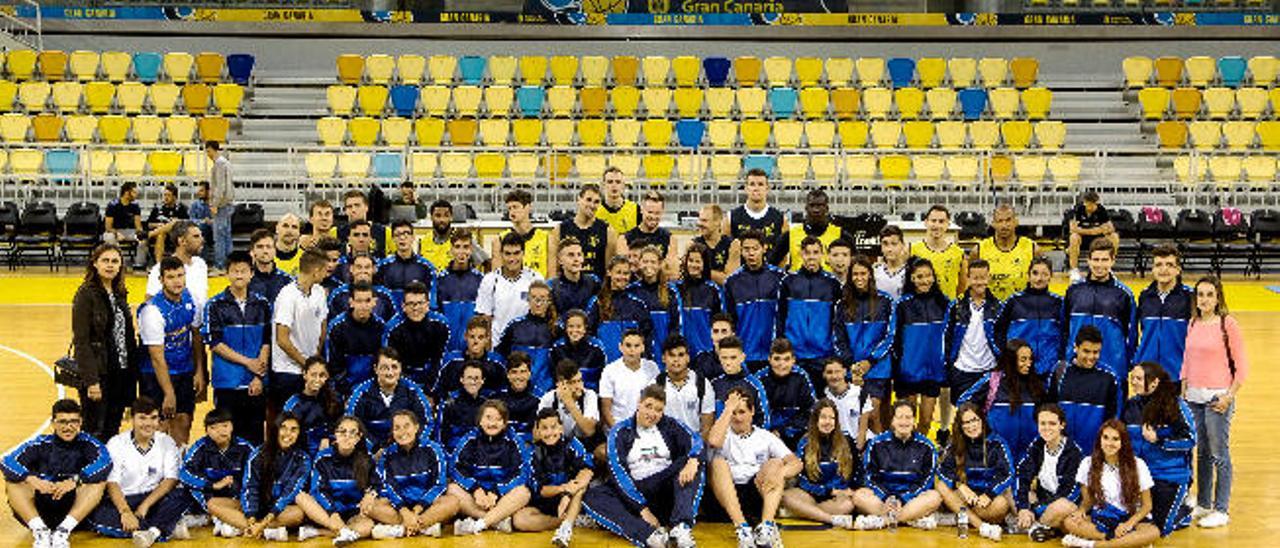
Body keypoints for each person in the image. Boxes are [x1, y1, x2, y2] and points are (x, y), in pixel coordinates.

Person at [581, 385, 702, 548]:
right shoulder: (620, 431)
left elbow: (696, 440)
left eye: (658, 410)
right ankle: (650, 535)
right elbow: (619, 474)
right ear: (639, 403)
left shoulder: (671, 425)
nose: (652, 414)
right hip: (635, 490)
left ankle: (681, 528)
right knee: (592, 496)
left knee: (693, 464)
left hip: (665, 488)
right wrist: (642, 509)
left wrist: (693, 459)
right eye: (648, 406)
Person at [1181, 275, 1246, 529]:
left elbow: (1241, 366)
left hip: (1218, 398)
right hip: (1194, 397)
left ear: (1218, 297)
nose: (1204, 299)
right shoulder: (1193, 323)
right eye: (1200, 295)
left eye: (1209, 294)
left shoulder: (1227, 324)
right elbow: (1187, 359)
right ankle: (1205, 502)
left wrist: (1229, 396)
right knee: (1203, 453)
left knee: (1220, 454)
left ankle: (1222, 509)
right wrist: (1184, 386)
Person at [3, 399, 110, 548]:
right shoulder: (40, 444)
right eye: (62, 422)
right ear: (53, 423)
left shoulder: (90, 444)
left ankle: (63, 532)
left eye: (73, 421)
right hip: (40, 508)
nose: (68, 427)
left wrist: (75, 480)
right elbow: (7, 461)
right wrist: (32, 479)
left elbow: (105, 463)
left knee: (98, 482)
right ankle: (40, 531)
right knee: (13, 481)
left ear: (80, 422)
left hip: (74, 510)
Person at [705, 387, 800, 548]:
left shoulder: (765, 437)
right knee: (717, 462)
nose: (737, 418)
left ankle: (767, 528)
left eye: (741, 412)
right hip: (723, 498)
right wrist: (728, 408)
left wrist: (781, 473)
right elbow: (713, 441)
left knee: (776, 463)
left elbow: (796, 463)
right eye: (733, 413)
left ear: (752, 411)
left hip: (754, 495)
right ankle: (742, 529)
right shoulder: (722, 433)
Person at [88, 398, 188, 548]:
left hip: (153, 498)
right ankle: (166, 526)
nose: (148, 424)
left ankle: (152, 530)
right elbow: (112, 482)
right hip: (123, 499)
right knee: (96, 517)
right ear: (131, 418)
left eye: (153, 418)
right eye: (142, 418)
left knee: (183, 494)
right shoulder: (116, 443)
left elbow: (171, 480)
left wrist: (144, 507)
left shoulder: (166, 442)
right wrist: (125, 512)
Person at [203, 251, 271, 446]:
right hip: (227, 383)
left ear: (251, 274)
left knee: (256, 436)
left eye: (243, 271)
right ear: (227, 273)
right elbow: (215, 343)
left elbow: (267, 341)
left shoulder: (263, 304)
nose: (239, 275)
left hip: (255, 384)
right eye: (234, 271)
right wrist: (248, 363)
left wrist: (258, 376)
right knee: (226, 437)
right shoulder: (214, 305)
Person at [1060, 420, 1162, 548]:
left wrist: (1128, 524)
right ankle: (1126, 542)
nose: (1109, 443)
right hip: (1103, 516)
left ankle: (1091, 544)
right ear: (1099, 440)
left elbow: (1147, 506)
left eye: (1115, 439)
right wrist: (1081, 510)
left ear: (1123, 442)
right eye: (1105, 438)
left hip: (1131, 517)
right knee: (1069, 522)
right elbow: (1088, 502)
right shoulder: (1087, 463)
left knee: (1154, 532)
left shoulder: (1138, 464)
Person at [72, 243, 138, 442]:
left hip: (120, 371)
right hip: (99, 373)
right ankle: (88, 472)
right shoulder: (85, 295)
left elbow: (126, 336)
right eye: (105, 261)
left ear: (120, 266)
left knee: (112, 426)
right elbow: (82, 341)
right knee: (94, 428)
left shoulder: (120, 293)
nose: (110, 265)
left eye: (115, 261)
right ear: (95, 264)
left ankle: (106, 471)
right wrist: (91, 381)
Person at [138, 255, 206, 445]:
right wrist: (169, 393)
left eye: (180, 275)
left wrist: (199, 371)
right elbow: (157, 358)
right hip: (155, 375)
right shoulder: (152, 311)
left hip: (184, 370)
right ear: (161, 280)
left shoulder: (189, 298)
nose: (177, 281)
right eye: (171, 277)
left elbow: (196, 336)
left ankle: (177, 469)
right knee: (158, 426)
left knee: (183, 422)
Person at [1122, 362, 1194, 536]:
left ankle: (1184, 510)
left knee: (1161, 529)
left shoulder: (1175, 406)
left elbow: (1190, 440)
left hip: (1168, 476)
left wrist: (1159, 439)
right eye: (1133, 378)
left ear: (1154, 383)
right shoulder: (1130, 406)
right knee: (1134, 522)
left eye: (1139, 379)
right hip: (1140, 477)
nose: (1134, 382)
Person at [213, 413, 309, 540]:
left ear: (299, 433)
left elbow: (290, 492)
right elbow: (249, 487)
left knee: (298, 514)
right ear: (275, 430)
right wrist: (251, 517)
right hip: (257, 508)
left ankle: (243, 529)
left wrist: (263, 523)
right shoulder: (258, 454)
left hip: (279, 511)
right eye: (283, 428)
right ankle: (262, 530)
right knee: (213, 503)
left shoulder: (303, 459)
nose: (288, 434)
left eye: (293, 430)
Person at [851, 401, 943, 531]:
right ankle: (911, 519)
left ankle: (883, 521)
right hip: (884, 499)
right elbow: (870, 478)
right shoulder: (876, 444)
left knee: (935, 497)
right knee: (859, 496)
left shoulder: (927, 446)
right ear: (892, 421)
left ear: (914, 421)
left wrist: (903, 498)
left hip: (912, 499)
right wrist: (887, 498)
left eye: (908, 417)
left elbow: (927, 481)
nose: (904, 422)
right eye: (899, 417)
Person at [368, 410, 460, 539]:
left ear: (416, 427)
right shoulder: (386, 455)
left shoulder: (433, 448)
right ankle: (424, 527)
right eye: (397, 428)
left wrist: (417, 509)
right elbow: (388, 488)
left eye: (407, 426)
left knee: (453, 502)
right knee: (370, 506)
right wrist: (404, 511)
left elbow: (439, 484)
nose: (402, 432)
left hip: (427, 506)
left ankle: (402, 529)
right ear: (392, 432)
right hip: (398, 508)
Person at [447, 400, 533, 535]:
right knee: (451, 489)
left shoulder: (514, 441)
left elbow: (522, 473)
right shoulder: (469, 439)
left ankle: (479, 524)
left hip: (502, 496)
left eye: (498, 419)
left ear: (505, 423)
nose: (492, 423)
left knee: (523, 493)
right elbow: (456, 468)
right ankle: (496, 521)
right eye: (488, 418)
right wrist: (475, 490)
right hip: (476, 498)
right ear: (480, 420)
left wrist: (497, 491)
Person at [934, 403, 1015, 542]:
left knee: (1002, 503)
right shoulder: (954, 444)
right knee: (941, 485)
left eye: (974, 420)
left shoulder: (997, 443)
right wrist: (960, 486)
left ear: (982, 420)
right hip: (965, 498)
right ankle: (982, 526)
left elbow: (1007, 473)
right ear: (960, 426)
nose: (971, 426)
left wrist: (990, 494)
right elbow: (942, 470)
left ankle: (960, 517)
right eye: (966, 422)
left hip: (985, 501)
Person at [513, 409, 594, 546]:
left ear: (561, 428)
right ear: (537, 431)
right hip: (546, 502)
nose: (550, 432)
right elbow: (541, 490)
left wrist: (568, 493)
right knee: (519, 520)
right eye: (544, 428)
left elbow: (587, 471)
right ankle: (570, 520)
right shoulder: (532, 452)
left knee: (581, 486)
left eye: (554, 427)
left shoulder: (572, 444)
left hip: (572, 498)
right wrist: (562, 488)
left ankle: (565, 529)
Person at [941, 258, 1000, 445]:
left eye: (983, 277)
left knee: (986, 419)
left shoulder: (999, 307)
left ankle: (983, 456)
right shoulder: (956, 306)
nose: (979, 282)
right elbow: (946, 339)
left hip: (988, 372)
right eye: (975, 278)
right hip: (962, 370)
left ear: (989, 278)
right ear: (968, 278)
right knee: (963, 419)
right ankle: (956, 455)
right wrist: (948, 368)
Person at [958, 339, 1047, 463]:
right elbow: (964, 402)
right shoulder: (993, 381)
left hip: (1029, 458)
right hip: (996, 456)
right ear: (1010, 360)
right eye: (1023, 359)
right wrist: (978, 430)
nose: (1028, 363)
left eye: (1030, 359)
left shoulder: (1037, 385)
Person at [293, 416, 378, 545]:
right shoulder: (323, 458)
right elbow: (317, 491)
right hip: (326, 512)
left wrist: (371, 494)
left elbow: (377, 484)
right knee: (301, 497)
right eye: (342, 431)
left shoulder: (367, 459)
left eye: (352, 432)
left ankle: (319, 532)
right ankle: (343, 531)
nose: (347, 436)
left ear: (359, 437)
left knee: (368, 526)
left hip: (353, 513)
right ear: (335, 434)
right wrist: (332, 513)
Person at [834, 254, 893, 434]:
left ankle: (880, 453)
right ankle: (861, 454)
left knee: (874, 414)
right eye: (855, 274)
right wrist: (852, 365)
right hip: (853, 369)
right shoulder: (842, 305)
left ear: (870, 275)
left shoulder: (885, 301)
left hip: (878, 368)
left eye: (863, 273)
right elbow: (839, 338)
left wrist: (870, 361)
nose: (859, 278)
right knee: (856, 417)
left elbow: (890, 336)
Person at [781, 399, 862, 529]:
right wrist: (827, 491)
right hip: (812, 494)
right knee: (785, 496)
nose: (828, 422)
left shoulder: (847, 441)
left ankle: (805, 512)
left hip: (838, 497)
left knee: (848, 505)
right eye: (823, 417)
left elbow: (858, 469)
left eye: (832, 418)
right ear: (815, 420)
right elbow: (801, 480)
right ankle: (830, 519)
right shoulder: (805, 441)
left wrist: (851, 489)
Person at [892, 258, 949, 435]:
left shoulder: (944, 303)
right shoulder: (902, 305)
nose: (925, 280)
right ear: (912, 279)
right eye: (919, 276)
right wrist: (898, 367)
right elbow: (894, 339)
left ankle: (921, 456)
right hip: (908, 371)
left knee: (925, 422)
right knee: (907, 421)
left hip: (933, 371)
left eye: (928, 276)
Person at [1065, 238, 1136, 379]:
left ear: (1113, 261)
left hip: (1112, 366)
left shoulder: (1124, 295)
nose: (1099, 265)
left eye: (1104, 260)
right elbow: (1064, 329)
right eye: (1096, 260)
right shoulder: (1074, 291)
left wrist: (1127, 364)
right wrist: (1066, 357)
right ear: (1088, 260)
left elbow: (1131, 335)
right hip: (1077, 364)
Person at [270, 250, 330, 415]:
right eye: (325, 269)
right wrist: (306, 363)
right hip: (288, 371)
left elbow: (322, 324)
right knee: (287, 422)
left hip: (311, 371)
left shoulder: (318, 292)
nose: (327, 274)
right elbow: (282, 339)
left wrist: (315, 359)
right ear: (316, 271)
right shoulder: (287, 296)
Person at [1015, 403, 1085, 543]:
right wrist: (1023, 508)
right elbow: (1023, 476)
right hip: (1043, 499)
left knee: (1063, 507)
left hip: (1065, 503)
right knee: (1016, 490)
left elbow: (1069, 493)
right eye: (1043, 423)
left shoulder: (1073, 452)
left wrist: (1037, 508)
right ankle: (1044, 526)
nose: (1047, 428)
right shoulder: (1037, 445)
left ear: (1062, 425)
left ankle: (1035, 525)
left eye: (1052, 423)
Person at [777, 236, 842, 379]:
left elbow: (837, 321)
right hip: (794, 354)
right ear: (801, 254)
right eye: (807, 253)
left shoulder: (832, 284)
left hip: (823, 354)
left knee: (821, 399)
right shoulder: (788, 281)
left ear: (822, 254)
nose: (811, 257)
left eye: (815, 252)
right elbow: (780, 317)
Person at [180, 408, 255, 527]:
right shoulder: (200, 447)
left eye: (225, 426)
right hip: (209, 496)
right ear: (207, 432)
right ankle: (217, 518)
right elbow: (184, 474)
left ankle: (220, 519)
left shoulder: (245, 448)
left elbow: (255, 476)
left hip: (236, 497)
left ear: (232, 427)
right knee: (187, 489)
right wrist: (212, 485)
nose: (220, 431)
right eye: (213, 428)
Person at [1051, 326, 1121, 452]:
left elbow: (1113, 420)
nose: (1091, 358)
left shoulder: (1109, 377)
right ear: (1075, 347)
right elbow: (1049, 410)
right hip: (1061, 453)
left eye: (1096, 352)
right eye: (1086, 351)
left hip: (1094, 454)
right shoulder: (1060, 371)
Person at [724, 230, 785, 370]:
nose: (751, 253)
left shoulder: (780, 278)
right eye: (746, 249)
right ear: (741, 251)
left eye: (755, 248)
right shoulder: (732, 282)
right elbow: (730, 321)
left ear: (764, 248)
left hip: (774, 354)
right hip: (745, 354)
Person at [345, 348, 433, 446]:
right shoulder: (361, 393)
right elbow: (351, 425)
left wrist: (409, 445)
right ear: (375, 369)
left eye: (394, 367)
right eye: (384, 368)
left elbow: (426, 423)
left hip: (404, 447)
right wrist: (373, 449)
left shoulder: (412, 391)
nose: (390, 373)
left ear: (401, 368)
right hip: (371, 452)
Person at [995, 257, 1064, 377]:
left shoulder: (1059, 302)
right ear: (1028, 275)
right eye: (1035, 273)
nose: (1039, 278)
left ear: (1050, 276)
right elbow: (997, 332)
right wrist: (1008, 357)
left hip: (1049, 369)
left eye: (1044, 274)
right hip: (1019, 368)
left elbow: (1066, 333)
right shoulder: (1014, 301)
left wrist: (1058, 358)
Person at [1133, 245, 1194, 379]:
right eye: (1159, 264)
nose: (1164, 269)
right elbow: (1139, 333)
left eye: (1169, 265)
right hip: (1147, 373)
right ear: (1153, 270)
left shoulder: (1190, 297)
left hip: (1177, 374)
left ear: (1178, 270)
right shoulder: (1144, 296)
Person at [477, 231, 544, 347]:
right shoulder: (490, 280)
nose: (512, 259)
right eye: (508, 254)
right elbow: (485, 319)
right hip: (498, 347)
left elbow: (542, 315)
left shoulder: (536, 279)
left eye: (516, 253)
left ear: (523, 253)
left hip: (527, 345)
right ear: (501, 254)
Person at [383, 281, 450, 389]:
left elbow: (439, 361)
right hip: (402, 379)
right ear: (403, 306)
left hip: (430, 379)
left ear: (428, 304)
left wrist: (430, 392)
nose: (415, 308)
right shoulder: (392, 328)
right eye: (411, 304)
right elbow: (390, 364)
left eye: (420, 303)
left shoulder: (441, 324)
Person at [497, 280, 558, 396]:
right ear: (528, 300)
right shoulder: (514, 326)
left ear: (549, 301)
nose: (538, 303)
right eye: (534, 298)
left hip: (544, 391)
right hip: (515, 389)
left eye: (543, 298)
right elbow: (500, 356)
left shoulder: (556, 330)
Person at [587, 256, 652, 363]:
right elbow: (589, 335)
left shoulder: (638, 304)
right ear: (609, 273)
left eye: (626, 273)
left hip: (632, 367)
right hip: (605, 366)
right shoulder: (597, 303)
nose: (622, 277)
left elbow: (646, 336)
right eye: (618, 272)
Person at [326, 281, 387, 394]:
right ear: (351, 302)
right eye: (359, 301)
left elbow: (383, 362)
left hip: (374, 388)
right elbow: (333, 365)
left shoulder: (381, 327)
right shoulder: (337, 327)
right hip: (344, 389)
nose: (363, 306)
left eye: (368, 301)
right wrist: (347, 391)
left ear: (374, 302)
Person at [755, 338, 817, 449]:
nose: (781, 364)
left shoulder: (801, 377)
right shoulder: (759, 379)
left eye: (786, 359)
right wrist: (768, 433)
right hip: (765, 434)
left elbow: (810, 410)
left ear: (793, 360)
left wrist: (783, 431)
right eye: (777, 359)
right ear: (769, 359)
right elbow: (754, 412)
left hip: (795, 432)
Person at [549, 183, 618, 280]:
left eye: (596, 202)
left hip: (595, 290)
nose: (592, 205)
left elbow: (608, 270)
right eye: (588, 200)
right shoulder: (560, 230)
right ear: (579, 199)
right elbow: (553, 270)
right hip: (567, 290)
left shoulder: (608, 231)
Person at [972, 203, 1040, 301]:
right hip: (990, 310)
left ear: (1016, 222)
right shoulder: (979, 250)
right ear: (993, 224)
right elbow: (970, 286)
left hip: (1022, 309)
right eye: (1000, 221)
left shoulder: (1032, 249)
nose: (1004, 225)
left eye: (1008, 220)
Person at [725, 168, 789, 267]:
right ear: (746, 188)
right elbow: (726, 252)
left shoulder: (780, 219)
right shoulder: (731, 218)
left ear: (767, 188)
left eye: (760, 184)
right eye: (752, 184)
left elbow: (784, 256)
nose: (756, 188)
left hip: (770, 278)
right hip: (741, 278)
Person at [599, 329, 661, 430]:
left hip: (646, 427)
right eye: (628, 345)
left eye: (636, 346)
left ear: (643, 348)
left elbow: (657, 401)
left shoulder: (652, 368)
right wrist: (617, 430)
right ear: (620, 347)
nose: (632, 350)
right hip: (618, 427)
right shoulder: (609, 370)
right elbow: (606, 409)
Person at [655, 336, 715, 438]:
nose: (676, 360)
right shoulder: (655, 385)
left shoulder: (703, 384)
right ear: (663, 358)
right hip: (664, 447)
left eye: (681, 355)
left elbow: (707, 427)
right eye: (671, 355)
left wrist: (696, 449)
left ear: (688, 358)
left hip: (694, 447)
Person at [283, 357, 345, 455]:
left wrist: (328, 438)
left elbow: (341, 425)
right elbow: (287, 439)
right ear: (304, 374)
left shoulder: (334, 398)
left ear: (327, 377)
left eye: (322, 375)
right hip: (303, 455)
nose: (317, 380)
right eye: (313, 375)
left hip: (331, 450)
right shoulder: (294, 405)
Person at [434, 317, 507, 400]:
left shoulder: (497, 362)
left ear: (487, 338)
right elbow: (438, 389)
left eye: (480, 337)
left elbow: (504, 391)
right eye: (472, 337)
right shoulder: (451, 360)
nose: (476, 341)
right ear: (465, 336)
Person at [628, 245, 677, 368]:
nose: (648, 265)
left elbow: (676, 326)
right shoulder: (631, 291)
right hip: (637, 356)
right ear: (639, 263)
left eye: (653, 262)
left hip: (662, 354)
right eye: (645, 261)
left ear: (660, 264)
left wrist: (670, 352)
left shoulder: (671, 291)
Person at [435, 229, 483, 353]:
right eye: (457, 247)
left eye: (466, 247)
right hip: (446, 349)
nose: (461, 252)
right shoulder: (440, 280)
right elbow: (434, 315)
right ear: (451, 249)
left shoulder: (481, 280)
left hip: (473, 351)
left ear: (471, 249)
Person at [672, 243, 723, 359]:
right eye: (690, 260)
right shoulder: (675, 289)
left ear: (704, 264)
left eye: (698, 261)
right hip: (680, 354)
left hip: (705, 353)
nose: (693, 265)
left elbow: (719, 324)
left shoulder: (713, 290)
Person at [708, 336, 771, 428]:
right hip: (721, 440)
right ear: (719, 358)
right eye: (724, 358)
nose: (728, 362)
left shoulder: (755, 385)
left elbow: (764, 421)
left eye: (733, 357)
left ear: (742, 357)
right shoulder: (714, 384)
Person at [538, 359, 601, 448]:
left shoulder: (589, 395)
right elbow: (537, 435)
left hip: (585, 444)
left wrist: (569, 403)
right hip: (556, 444)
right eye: (571, 383)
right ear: (559, 384)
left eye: (579, 380)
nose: (578, 386)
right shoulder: (548, 398)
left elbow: (589, 430)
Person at [145, 220, 209, 306]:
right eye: (196, 236)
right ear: (182, 241)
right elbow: (150, 303)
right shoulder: (160, 268)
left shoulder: (200, 264)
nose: (202, 240)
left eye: (201, 236)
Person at [911, 205, 965, 299]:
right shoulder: (914, 250)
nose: (937, 225)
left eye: (941, 221)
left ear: (948, 224)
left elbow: (962, 286)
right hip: (921, 308)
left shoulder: (958, 253)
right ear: (926, 222)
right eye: (933, 221)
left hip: (947, 309)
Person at [1066, 191, 1120, 283]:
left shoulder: (1101, 210)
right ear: (1085, 202)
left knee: (1114, 236)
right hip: (1082, 239)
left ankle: (1108, 268)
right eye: (1089, 204)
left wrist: (1083, 230)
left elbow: (1111, 228)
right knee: (1073, 237)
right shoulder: (1077, 210)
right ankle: (1074, 270)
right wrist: (1096, 230)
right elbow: (1072, 229)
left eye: (1093, 205)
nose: (1091, 207)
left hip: (1098, 240)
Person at [376, 220, 437, 303]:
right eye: (398, 235)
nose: (402, 238)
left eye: (406, 233)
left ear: (413, 237)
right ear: (393, 239)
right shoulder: (383, 266)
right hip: (389, 314)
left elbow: (432, 299)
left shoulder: (427, 267)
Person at [327, 254, 399, 323]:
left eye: (367, 267)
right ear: (351, 269)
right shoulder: (338, 294)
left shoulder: (385, 295)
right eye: (359, 267)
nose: (363, 271)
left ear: (374, 269)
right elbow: (330, 321)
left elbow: (394, 321)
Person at [550, 309, 608, 391]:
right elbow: (554, 376)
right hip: (565, 391)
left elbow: (602, 376)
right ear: (565, 328)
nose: (574, 330)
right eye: (571, 326)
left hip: (590, 392)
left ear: (585, 328)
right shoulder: (557, 348)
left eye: (579, 326)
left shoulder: (596, 347)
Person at [820, 357, 873, 447]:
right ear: (824, 374)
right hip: (836, 447)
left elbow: (862, 429)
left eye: (837, 371)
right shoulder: (822, 397)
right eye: (829, 372)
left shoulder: (860, 393)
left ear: (845, 372)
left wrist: (857, 450)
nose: (834, 376)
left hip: (860, 445)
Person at [496, 190, 550, 278]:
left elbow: (552, 275)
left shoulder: (545, 238)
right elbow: (497, 276)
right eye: (509, 208)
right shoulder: (500, 239)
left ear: (528, 207)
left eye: (515, 207)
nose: (512, 212)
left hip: (539, 289)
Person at [436, 361, 488, 451]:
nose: (473, 382)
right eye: (469, 378)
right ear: (462, 379)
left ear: (482, 381)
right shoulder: (449, 404)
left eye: (477, 378)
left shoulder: (487, 405)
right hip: (454, 455)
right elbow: (440, 439)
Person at [786, 189, 842, 271]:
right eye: (812, 205)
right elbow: (772, 263)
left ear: (827, 208)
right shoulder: (791, 235)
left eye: (820, 205)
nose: (816, 210)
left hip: (828, 283)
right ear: (806, 208)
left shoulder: (839, 234)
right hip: (798, 282)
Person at [624, 191, 678, 274]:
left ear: (662, 212)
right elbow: (624, 269)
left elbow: (672, 271)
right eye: (650, 212)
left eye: (657, 213)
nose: (653, 216)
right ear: (641, 210)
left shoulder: (670, 239)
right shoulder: (625, 239)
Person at [548, 237, 601, 321]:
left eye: (579, 255)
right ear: (560, 261)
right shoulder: (551, 286)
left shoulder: (594, 282)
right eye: (571, 255)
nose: (576, 259)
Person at [335, 191, 391, 258]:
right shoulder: (336, 232)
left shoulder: (384, 232)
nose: (353, 210)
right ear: (345, 211)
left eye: (357, 205)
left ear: (366, 207)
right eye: (349, 207)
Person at [694, 203, 740, 285]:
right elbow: (689, 275)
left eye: (704, 221)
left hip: (724, 295)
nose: (699, 224)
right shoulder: (693, 244)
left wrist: (702, 271)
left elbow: (729, 280)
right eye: (699, 219)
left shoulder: (733, 245)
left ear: (717, 222)